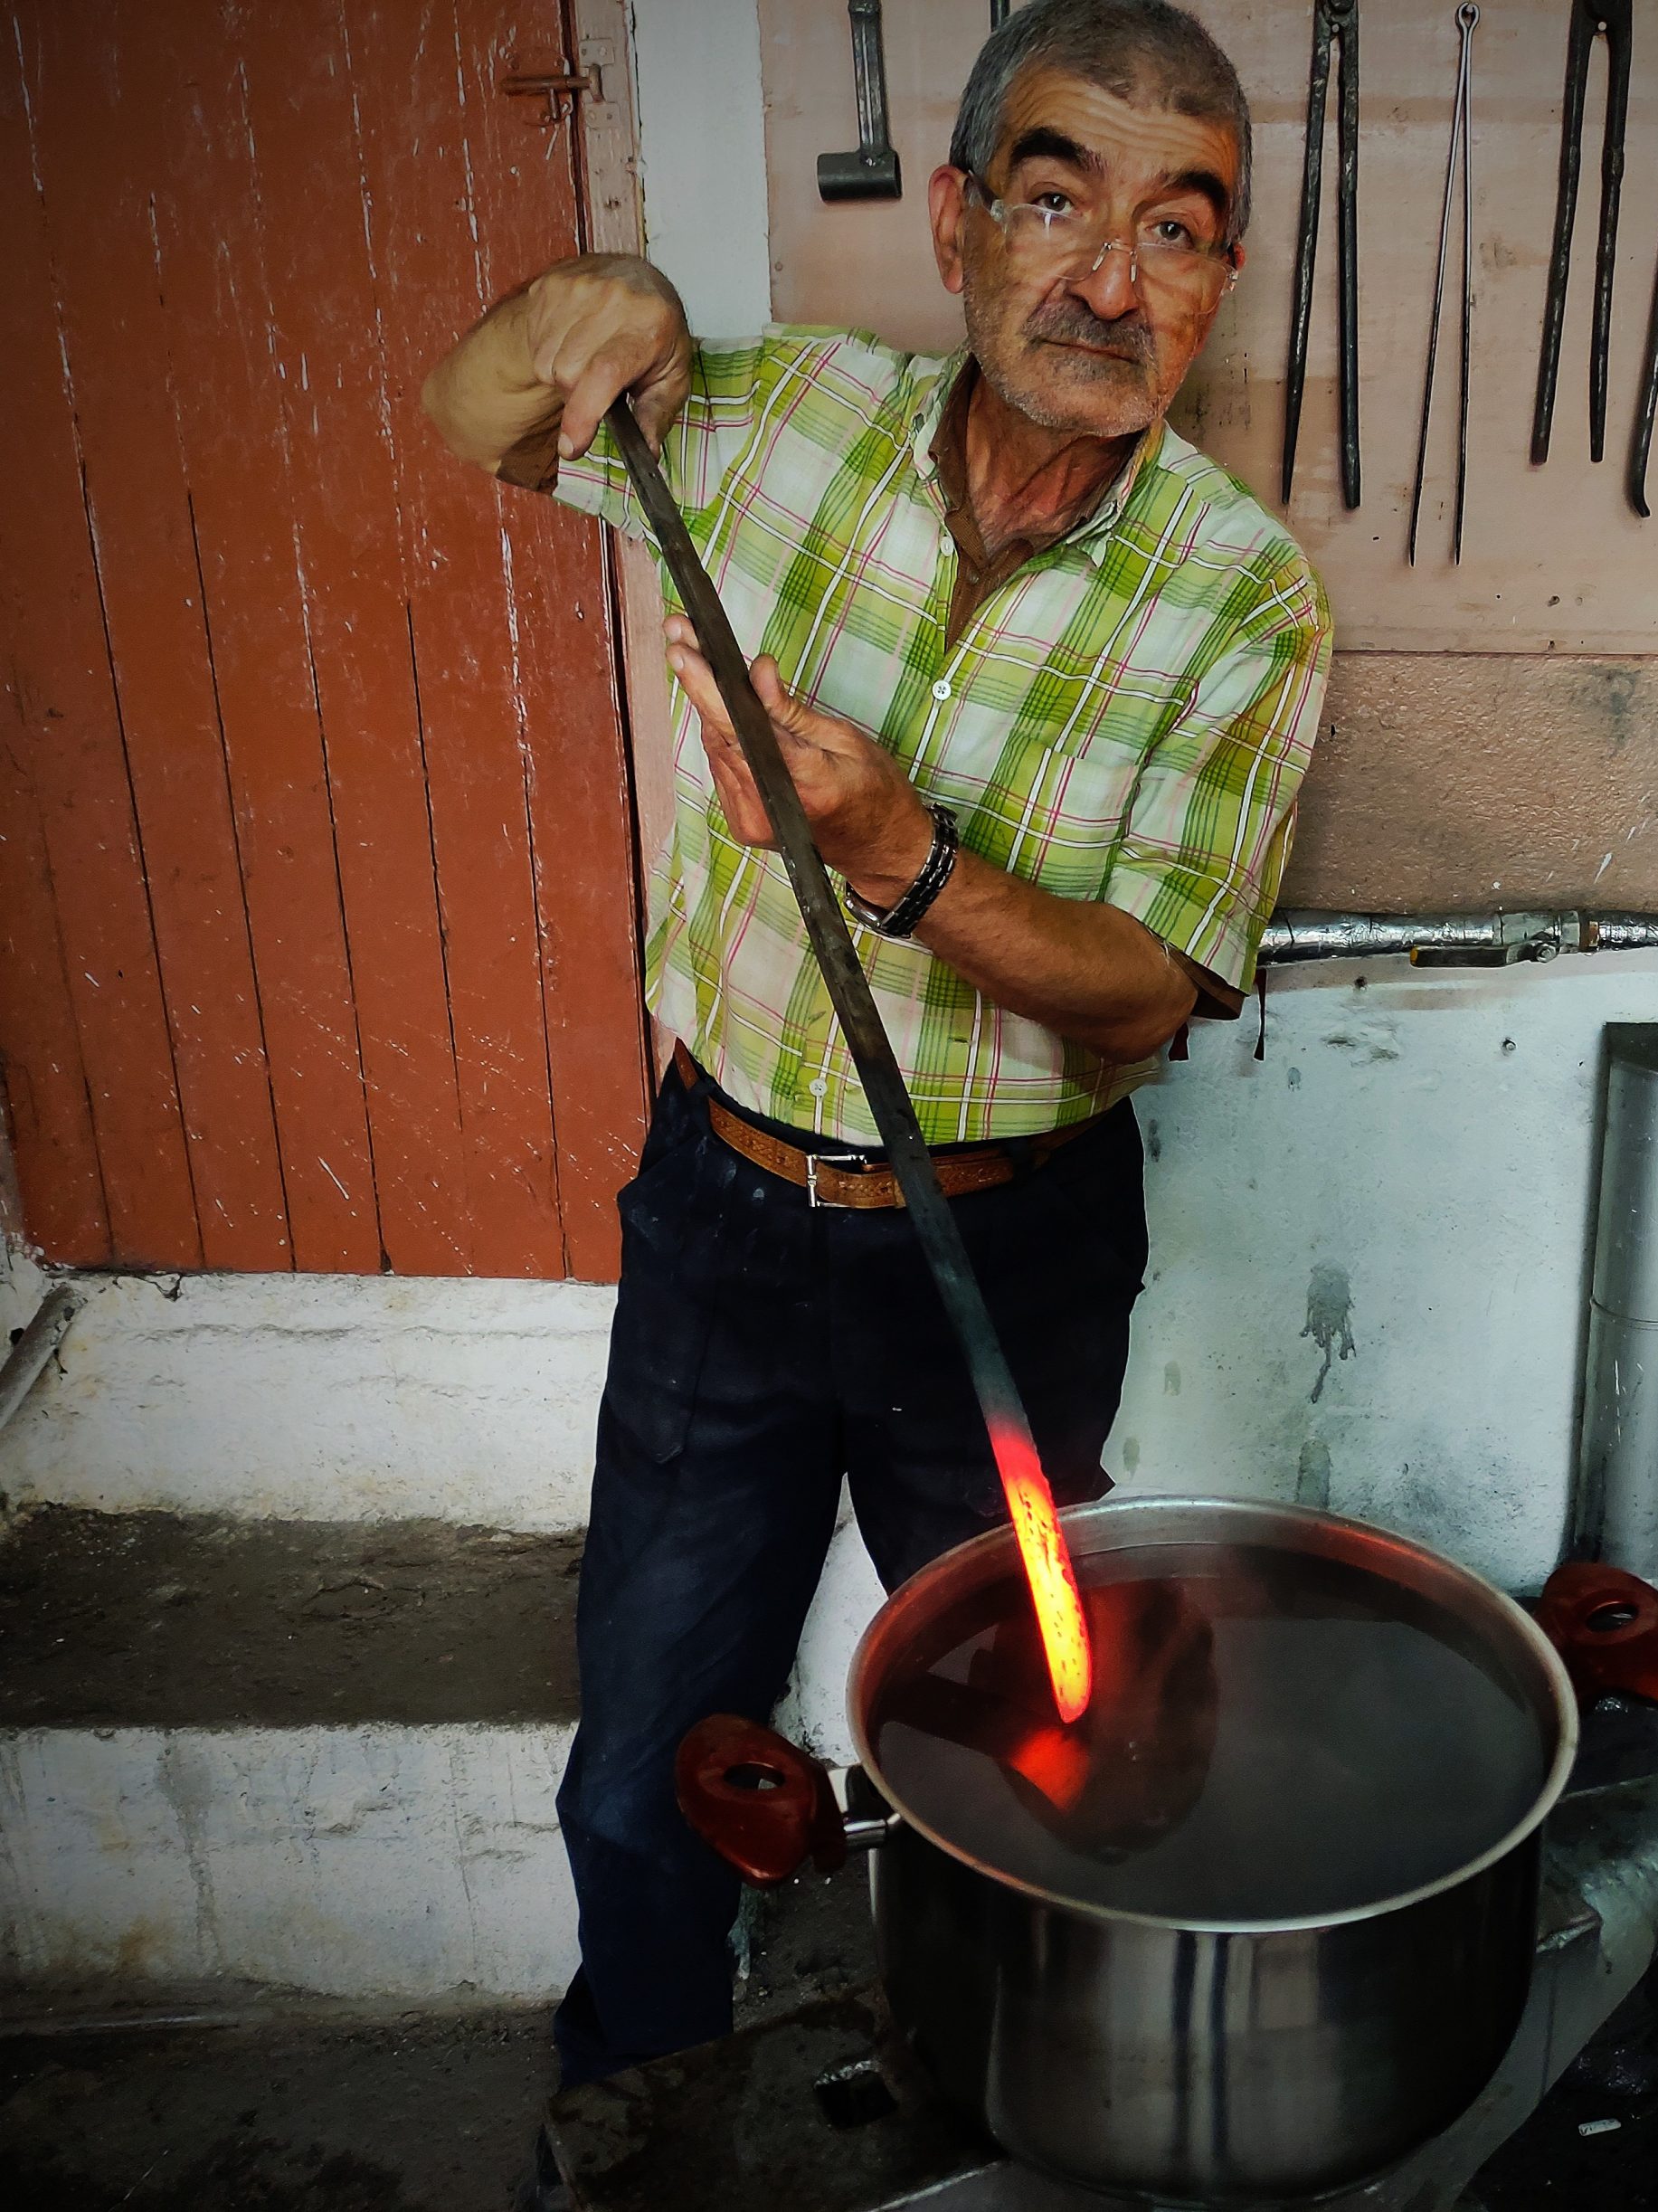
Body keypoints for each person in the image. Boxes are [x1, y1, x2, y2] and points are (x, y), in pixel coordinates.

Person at [422, 0, 1330, 2096]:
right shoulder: (780, 422)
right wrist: (585, 301)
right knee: (646, 1748)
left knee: (1026, 1750)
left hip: (1007, 1250)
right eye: (1053, 199)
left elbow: (1143, 998)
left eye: (1177, 231)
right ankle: (640, 2100)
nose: (1109, 279)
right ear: (953, 222)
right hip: (725, 1212)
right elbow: (486, 414)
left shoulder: (1243, 602)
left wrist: (896, 847)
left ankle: (987, 2105)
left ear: (1216, 281)